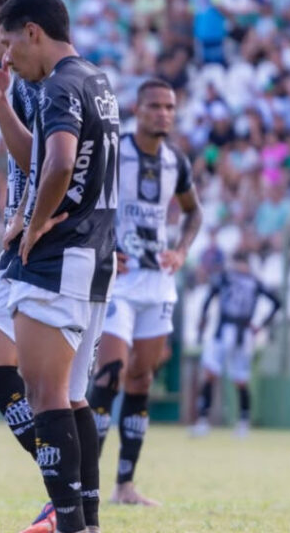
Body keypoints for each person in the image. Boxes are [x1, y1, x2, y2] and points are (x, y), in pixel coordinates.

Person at [0, 0, 119, 533]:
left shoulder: (57, 87)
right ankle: (87, 522)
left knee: (44, 395)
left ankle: (69, 524)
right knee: (71, 397)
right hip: (95, 254)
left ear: (32, 32)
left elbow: (60, 162)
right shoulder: (98, 80)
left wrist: (34, 221)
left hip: (60, 256)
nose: (7, 57)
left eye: (9, 43)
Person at [0, 0, 69, 533]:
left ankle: (68, 496)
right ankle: (64, 487)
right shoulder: (16, 79)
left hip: (43, 243)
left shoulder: (42, 79)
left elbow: (45, 160)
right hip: (21, 241)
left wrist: (26, 217)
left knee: (50, 388)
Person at [86, 79, 202, 506]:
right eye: (155, 106)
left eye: (169, 107)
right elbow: (85, 202)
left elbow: (194, 212)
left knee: (141, 379)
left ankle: (124, 485)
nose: (163, 114)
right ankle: (85, 484)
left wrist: (181, 251)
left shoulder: (176, 161)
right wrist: (101, 247)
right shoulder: (116, 153)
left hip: (158, 283)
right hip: (119, 282)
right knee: (110, 373)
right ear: (137, 109)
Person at [192, 250, 281, 437]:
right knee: (212, 374)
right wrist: (204, 317)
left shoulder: (239, 279)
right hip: (226, 330)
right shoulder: (235, 279)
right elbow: (209, 297)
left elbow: (276, 302)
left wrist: (260, 325)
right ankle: (205, 420)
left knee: (239, 379)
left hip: (238, 332)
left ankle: (242, 421)